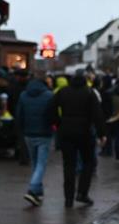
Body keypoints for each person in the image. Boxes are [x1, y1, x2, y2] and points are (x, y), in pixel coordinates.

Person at [53, 72, 106, 207]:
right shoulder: (89, 93)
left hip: (66, 131)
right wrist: (102, 134)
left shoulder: (63, 92)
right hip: (85, 132)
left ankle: (68, 198)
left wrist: (58, 123)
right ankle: (82, 193)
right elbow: (97, 114)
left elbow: (51, 108)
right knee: (88, 162)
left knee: (68, 165)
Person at [14, 77, 56, 206]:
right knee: (41, 164)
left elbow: (19, 114)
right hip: (44, 133)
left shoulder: (23, 95)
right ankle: (32, 189)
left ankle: (38, 192)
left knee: (35, 163)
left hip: (28, 133)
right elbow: (53, 115)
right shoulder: (49, 95)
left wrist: (21, 130)